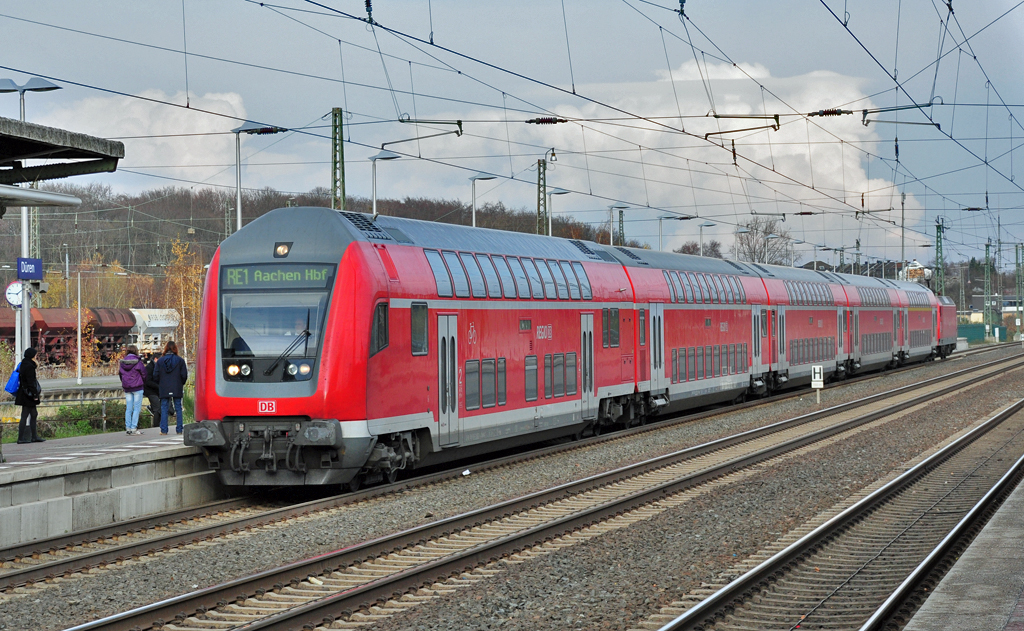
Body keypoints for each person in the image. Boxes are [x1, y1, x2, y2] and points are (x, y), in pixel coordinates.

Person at [156, 340, 188, 435]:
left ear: (166, 348)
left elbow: (155, 374)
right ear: (175, 349)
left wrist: (160, 383)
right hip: (177, 386)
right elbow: (184, 375)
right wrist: (181, 383)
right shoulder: (180, 360)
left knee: (164, 407)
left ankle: (164, 430)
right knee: (178, 407)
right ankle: (179, 430)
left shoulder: (160, 361)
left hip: (164, 387)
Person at [15, 347, 43, 444]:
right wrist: (35, 394)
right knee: (25, 415)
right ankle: (21, 438)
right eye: (35, 354)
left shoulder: (23, 364)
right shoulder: (29, 366)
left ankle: (34, 436)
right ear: (32, 355)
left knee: (33, 414)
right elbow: (31, 382)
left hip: (24, 392)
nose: (36, 356)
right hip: (28, 394)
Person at [118, 345, 147, 435]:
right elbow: (144, 374)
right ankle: (134, 427)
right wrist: (143, 382)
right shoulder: (138, 362)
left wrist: (125, 383)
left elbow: (120, 374)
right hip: (137, 387)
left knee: (129, 408)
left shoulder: (122, 363)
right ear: (136, 351)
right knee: (136, 408)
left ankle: (128, 427)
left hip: (127, 388)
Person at [143, 351, 162, 431]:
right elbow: (148, 381)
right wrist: (159, 386)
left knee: (160, 407)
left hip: (157, 390)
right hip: (150, 391)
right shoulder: (149, 368)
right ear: (155, 359)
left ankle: (159, 423)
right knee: (157, 408)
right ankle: (156, 426)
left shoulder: (158, 367)